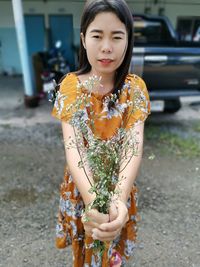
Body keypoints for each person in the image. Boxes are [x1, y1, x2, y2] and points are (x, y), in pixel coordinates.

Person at [51, 0, 150, 266]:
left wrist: (118, 198)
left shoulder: (135, 88)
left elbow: (134, 144)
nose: (106, 47)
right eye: (97, 35)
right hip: (83, 186)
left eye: (117, 36)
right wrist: (93, 199)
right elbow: (75, 149)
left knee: (112, 251)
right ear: (83, 39)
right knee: (86, 250)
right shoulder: (70, 87)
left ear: (128, 40)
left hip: (120, 185)